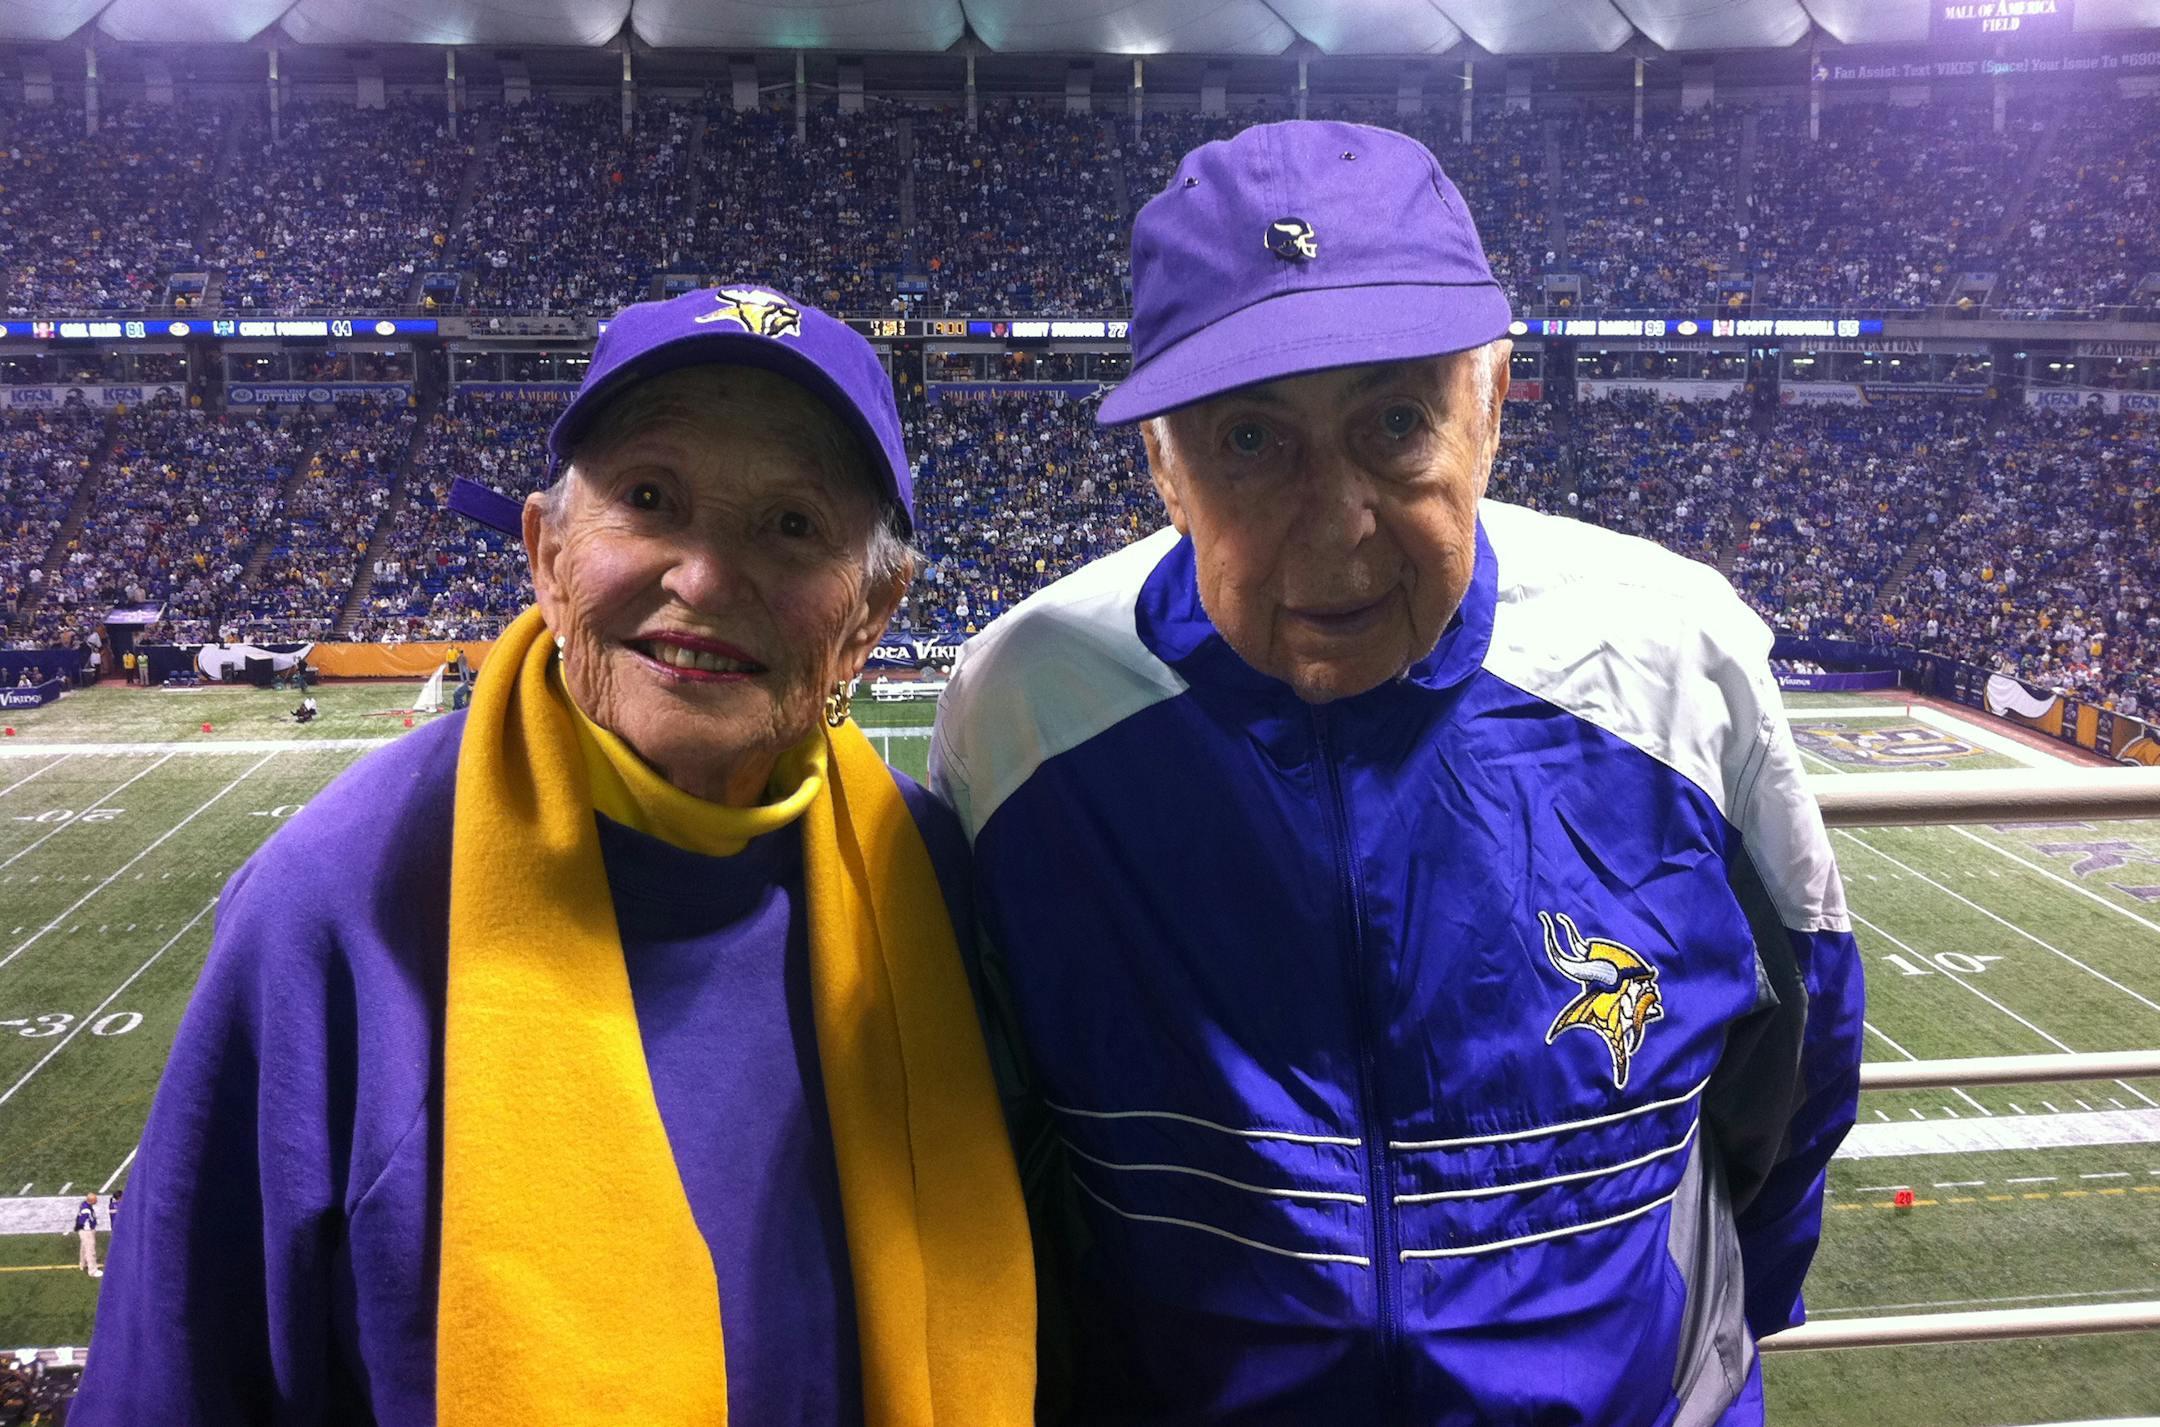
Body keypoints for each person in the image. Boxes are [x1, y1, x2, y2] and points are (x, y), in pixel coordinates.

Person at [932, 122, 1863, 1425]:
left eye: (1394, 419)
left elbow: (1799, 1050)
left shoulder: (1673, 655)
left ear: (1489, 407)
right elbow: (996, 1123)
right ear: (1162, 464)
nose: (1340, 518)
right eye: (1251, 441)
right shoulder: (1026, 704)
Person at [75, 286, 1034, 1426]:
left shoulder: (928, 870)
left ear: (872, 614)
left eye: (791, 525)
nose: (706, 579)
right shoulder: (331, 905)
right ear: (546, 553)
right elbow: (173, 1386)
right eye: (649, 497)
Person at [72, 1193, 102, 1278]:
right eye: (95, 1199)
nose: (97, 1201)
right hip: (87, 1232)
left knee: (84, 1248)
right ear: (91, 1200)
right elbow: (81, 1221)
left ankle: (83, 1264)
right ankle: (92, 1271)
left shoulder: (85, 1205)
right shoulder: (86, 1209)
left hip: (84, 1231)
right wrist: (79, 1228)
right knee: (90, 1251)